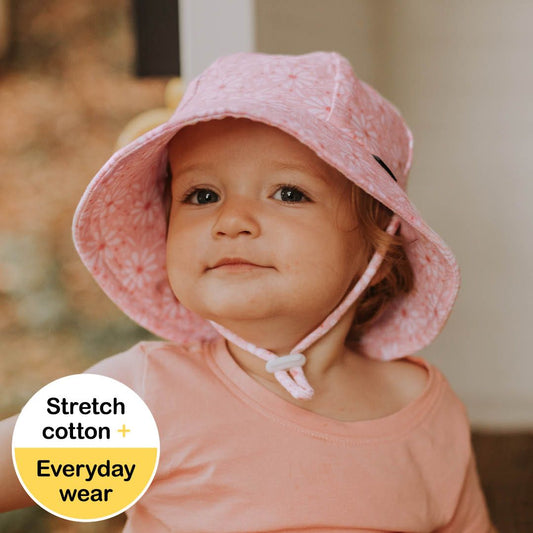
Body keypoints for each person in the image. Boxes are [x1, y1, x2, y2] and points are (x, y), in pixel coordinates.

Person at [0, 51, 496, 532]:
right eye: (202, 195)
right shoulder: (145, 398)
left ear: (378, 243)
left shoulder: (426, 411)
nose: (231, 221)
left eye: (288, 193)